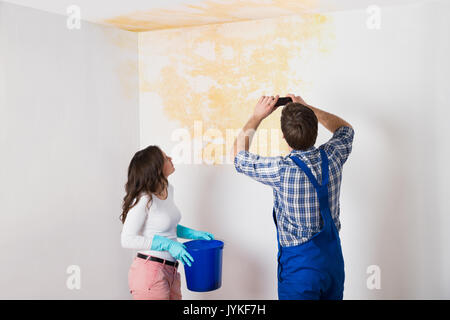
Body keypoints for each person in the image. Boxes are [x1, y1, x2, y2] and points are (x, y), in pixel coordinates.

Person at [232, 93, 354, 300]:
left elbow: (238, 156)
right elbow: (345, 130)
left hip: (300, 272)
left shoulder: (282, 171)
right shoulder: (334, 155)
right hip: (333, 266)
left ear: (284, 136)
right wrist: (309, 109)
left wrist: (257, 116)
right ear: (315, 129)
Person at [120, 145, 215, 300]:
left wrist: (192, 234)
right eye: (165, 158)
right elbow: (127, 239)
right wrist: (168, 244)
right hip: (149, 273)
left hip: (171, 271)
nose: (171, 158)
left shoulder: (168, 189)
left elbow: (165, 226)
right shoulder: (144, 199)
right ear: (156, 168)